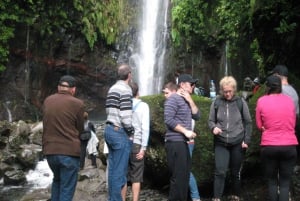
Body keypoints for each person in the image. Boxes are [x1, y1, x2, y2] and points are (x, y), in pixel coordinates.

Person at [208, 76, 252, 201]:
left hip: (237, 141)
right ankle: (216, 197)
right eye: (225, 91)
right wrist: (213, 128)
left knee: (235, 172)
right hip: (221, 141)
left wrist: (246, 140)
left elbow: (248, 122)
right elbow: (210, 120)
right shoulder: (216, 102)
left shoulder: (240, 102)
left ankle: (236, 195)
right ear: (221, 90)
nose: (227, 94)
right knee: (220, 171)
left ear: (234, 89)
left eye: (230, 91)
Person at [255, 75, 298, 201]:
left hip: (269, 146)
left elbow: (259, 125)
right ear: (280, 87)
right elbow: (293, 123)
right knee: (285, 184)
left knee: (272, 182)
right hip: (289, 146)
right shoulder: (289, 101)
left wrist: (265, 128)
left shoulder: (262, 101)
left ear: (267, 87)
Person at [42, 75, 84, 201]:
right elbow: (80, 129)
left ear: (58, 87)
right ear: (73, 90)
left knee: (57, 181)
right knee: (67, 188)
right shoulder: (78, 104)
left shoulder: (47, 100)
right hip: (69, 152)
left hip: (50, 151)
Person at [163, 81, 201, 201]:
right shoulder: (173, 98)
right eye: (192, 84)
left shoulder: (186, 100)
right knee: (178, 178)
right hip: (175, 142)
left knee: (184, 177)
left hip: (183, 143)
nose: (194, 87)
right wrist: (185, 131)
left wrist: (190, 100)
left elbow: (197, 116)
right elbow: (168, 120)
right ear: (183, 84)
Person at [104, 64, 135, 201]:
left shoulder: (112, 88)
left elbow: (108, 110)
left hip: (109, 129)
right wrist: (131, 131)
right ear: (129, 75)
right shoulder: (126, 89)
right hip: (119, 132)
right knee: (119, 172)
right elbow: (125, 115)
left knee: (112, 171)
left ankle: (112, 198)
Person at [124, 82, 150, 201]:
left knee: (123, 175)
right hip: (137, 143)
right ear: (138, 92)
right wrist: (143, 148)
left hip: (124, 143)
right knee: (136, 176)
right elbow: (145, 128)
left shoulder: (123, 105)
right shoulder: (143, 106)